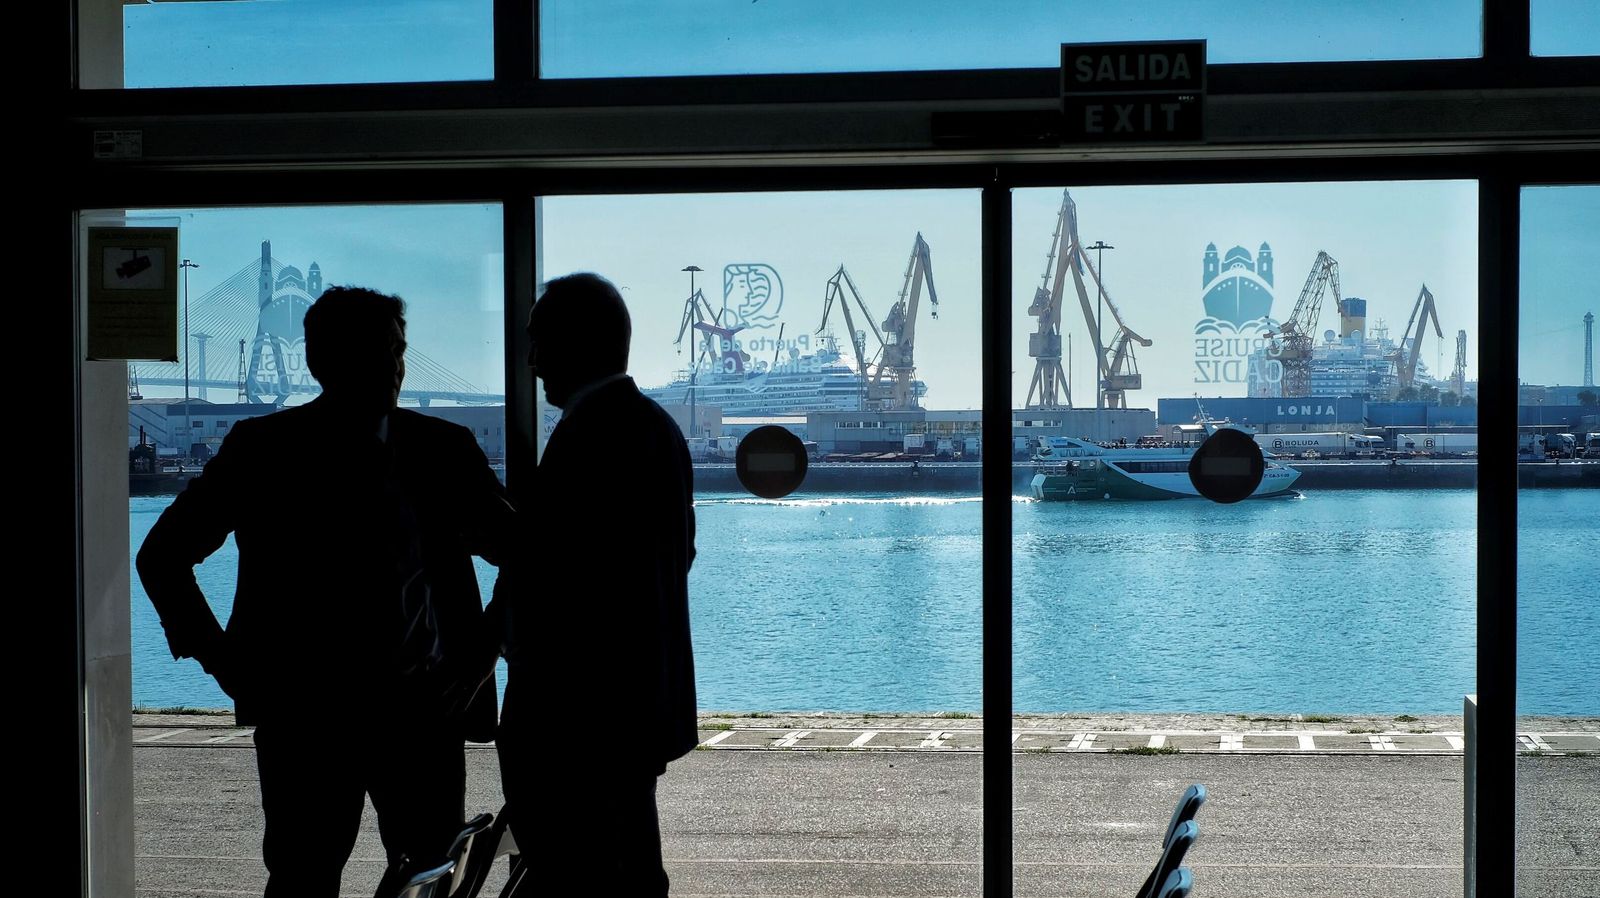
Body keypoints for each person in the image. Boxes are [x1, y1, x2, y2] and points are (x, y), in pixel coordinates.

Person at [137, 286, 513, 897]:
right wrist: (477, 657)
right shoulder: (438, 449)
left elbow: (162, 557)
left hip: (332, 714)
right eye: (380, 352)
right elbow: (525, 558)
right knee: (388, 877)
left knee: (315, 877)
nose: (393, 367)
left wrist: (226, 663)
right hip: (397, 712)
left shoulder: (266, 450)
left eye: (396, 351)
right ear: (319, 362)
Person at [496, 272, 697, 895]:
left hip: (579, 719)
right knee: (628, 864)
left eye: (538, 341)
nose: (530, 362)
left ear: (578, 341)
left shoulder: (590, 433)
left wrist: (509, 637)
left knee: (580, 870)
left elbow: (557, 571)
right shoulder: (654, 427)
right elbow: (676, 554)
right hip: (633, 708)